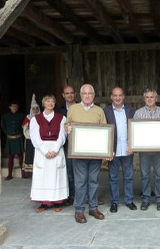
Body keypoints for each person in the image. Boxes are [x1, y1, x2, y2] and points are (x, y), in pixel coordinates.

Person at [66, 84, 107, 223]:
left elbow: (104, 130)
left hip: (95, 153)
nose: (87, 96)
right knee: (80, 181)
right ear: (81, 95)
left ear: (93, 95)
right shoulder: (73, 109)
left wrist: (105, 152)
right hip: (79, 153)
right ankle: (79, 210)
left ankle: (93, 208)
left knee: (94, 181)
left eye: (90, 93)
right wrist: (68, 128)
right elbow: (67, 125)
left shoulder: (99, 111)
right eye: (84, 94)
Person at [133, 88, 160, 211]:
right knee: (144, 175)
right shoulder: (138, 113)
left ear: (156, 98)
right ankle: (146, 199)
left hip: (159, 150)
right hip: (144, 151)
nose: (149, 99)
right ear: (144, 99)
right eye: (147, 97)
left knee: (159, 175)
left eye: (152, 97)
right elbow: (134, 131)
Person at [29, 95, 68, 213]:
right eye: (48, 101)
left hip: (56, 148)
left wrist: (55, 149)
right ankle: (44, 202)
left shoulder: (61, 118)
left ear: (55, 103)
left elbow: (63, 135)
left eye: (52, 101)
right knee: (43, 177)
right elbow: (34, 137)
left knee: (57, 176)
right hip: (42, 150)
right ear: (43, 103)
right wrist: (45, 151)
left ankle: (57, 202)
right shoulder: (36, 119)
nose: (50, 103)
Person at [104, 87, 136, 213]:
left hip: (128, 150)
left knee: (129, 177)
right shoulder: (105, 111)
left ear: (123, 97)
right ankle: (114, 202)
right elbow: (103, 131)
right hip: (113, 150)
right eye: (115, 95)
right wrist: (106, 150)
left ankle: (129, 200)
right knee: (113, 177)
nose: (117, 98)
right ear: (111, 97)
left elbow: (135, 130)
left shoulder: (130, 110)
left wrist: (133, 146)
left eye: (120, 95)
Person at [56, 85, 77, 206]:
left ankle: (87, 195)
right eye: (67, 93)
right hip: (67, 145)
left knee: (83, 171)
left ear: (75, 94)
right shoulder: (59, 111)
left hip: (82, 144)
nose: (70, 95)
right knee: (70, 171)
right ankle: (72, 195)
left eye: (72, 93)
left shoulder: (81, 107)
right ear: (63, 95)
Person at [0, 101, 25, 180]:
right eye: (13, 106)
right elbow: (2, 125)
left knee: (21, 157)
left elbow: (24, 125)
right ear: (9, 107)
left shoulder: (21, 116)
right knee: (10, 158)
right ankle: (9, 174)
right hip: (10, 139)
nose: (14, 108)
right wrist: (7, 132)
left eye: (16, 106)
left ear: (17, 107)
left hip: (18, 139)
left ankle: (23, 173)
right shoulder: (5, 116)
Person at [22, 94, 40, 178]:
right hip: (29, 139)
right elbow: (25, 128)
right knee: (29, 155)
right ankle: (29, 173)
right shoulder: (28, 118)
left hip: (39, 139)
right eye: (33, 109)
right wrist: (30, 135)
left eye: (37, 109)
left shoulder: (41, 117)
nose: (35, 110)